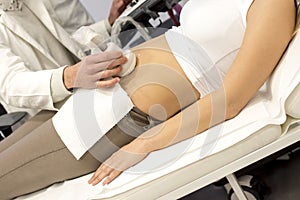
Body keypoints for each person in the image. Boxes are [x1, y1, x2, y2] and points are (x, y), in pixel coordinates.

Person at [0, 0, 298, 199]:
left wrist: (146, 142)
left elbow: (231, 100)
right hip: (95, 93)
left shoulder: (275, 4)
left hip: (119, 113)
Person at [0, 0, 132, 117]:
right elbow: (10, 85)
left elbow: (68, 44)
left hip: (87, 97)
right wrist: (68, 77)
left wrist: (108, 24)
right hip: (49, 118)